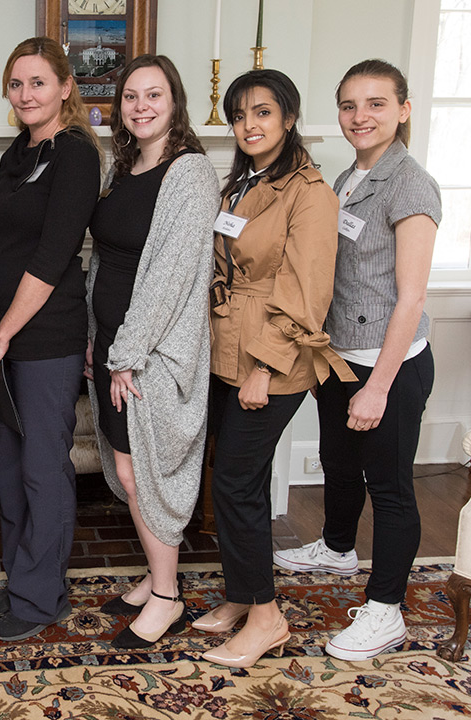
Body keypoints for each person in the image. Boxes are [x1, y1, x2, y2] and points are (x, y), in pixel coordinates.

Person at [273, 59, 440, 661]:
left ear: (403, 109)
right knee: (338, 465)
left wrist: (379, 387)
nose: (359, 116)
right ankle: (338, 546)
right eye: (348, 105)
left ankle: (386, 610)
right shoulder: (345, 177)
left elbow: (411, 296)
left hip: (387, 363)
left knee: (390, 487)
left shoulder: (409, 183)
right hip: (339, 358)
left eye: (375, 103)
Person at [196, 69, 354, 669]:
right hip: (224, 347)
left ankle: (266, 617)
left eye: (262, 113)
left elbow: (306, 290)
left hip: (273, 358)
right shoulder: (242, 183)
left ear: (289, 118)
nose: (249, 126)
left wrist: (265, 366)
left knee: (235, 481)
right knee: (240, 479)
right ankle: (242, 596)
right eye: (239, 116)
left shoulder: (310, 192)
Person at [84, 55, 219, 648]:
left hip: (151, 353)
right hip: (114, 342)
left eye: (153, 96)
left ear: (176, 102)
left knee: (146, 471)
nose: (140, 106)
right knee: (126, 467)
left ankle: (167, 597)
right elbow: (105, 261)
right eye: (131, 97)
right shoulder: (125, 167)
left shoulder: (190, 173)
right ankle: (156, 575)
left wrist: (127, 352)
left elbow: (170, 275)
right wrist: (98, 338)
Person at [0, 37, 101, 642]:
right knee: (4, 464)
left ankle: (41, 593)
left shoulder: (75, 154)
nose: (27, 94)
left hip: (44, 337)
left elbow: (51, 258)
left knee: (41, 467)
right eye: (17, 84)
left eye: (39, 83)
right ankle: (26, 572)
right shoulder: (16, 153)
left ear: (65, 88)